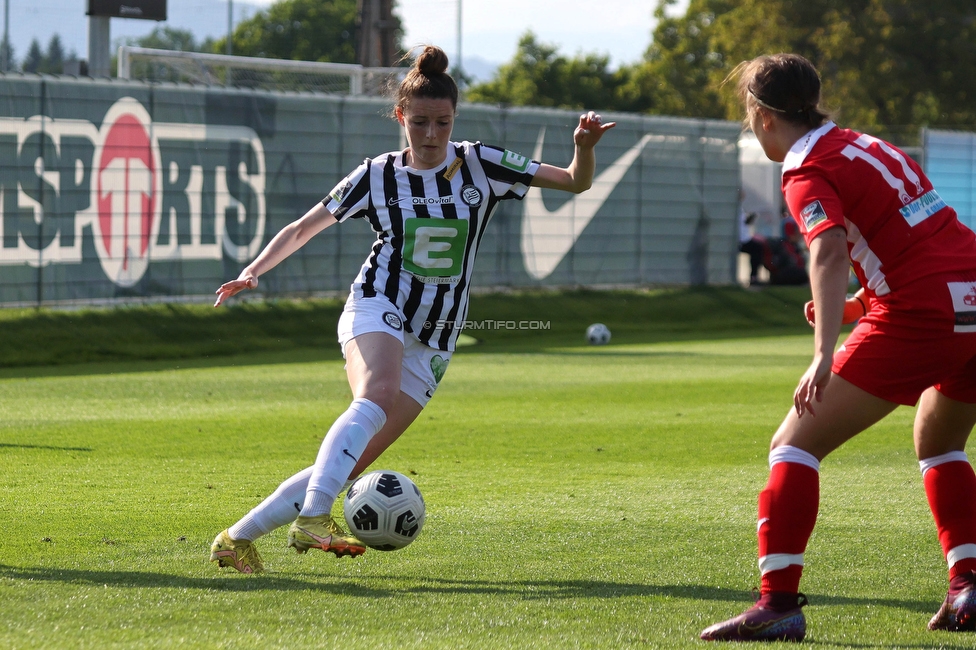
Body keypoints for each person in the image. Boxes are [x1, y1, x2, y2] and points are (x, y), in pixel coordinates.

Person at [207, 45, 616, 574]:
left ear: (454, 120)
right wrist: (254, 270)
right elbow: (305, 226)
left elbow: (575, 181)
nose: (430, 134)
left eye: (442, 123)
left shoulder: (481, 164)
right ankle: (312, 518)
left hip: (437, 335)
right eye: (419, 122)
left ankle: (236, 539)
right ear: (400, 117)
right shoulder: (376, 174)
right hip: (378, 303)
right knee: (374, 394)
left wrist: (582, 148)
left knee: (351, 459)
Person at [701, 53, 976, 641]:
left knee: (792, 446)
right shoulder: (869, 145)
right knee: (940, 439)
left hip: (922, 311)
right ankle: (968, 586)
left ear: (762, 115)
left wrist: (824, 351)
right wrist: (854, 307)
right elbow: (915, 238)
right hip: (971, 295)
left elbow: (826, 252)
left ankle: (777, 605)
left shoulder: (806, 170)